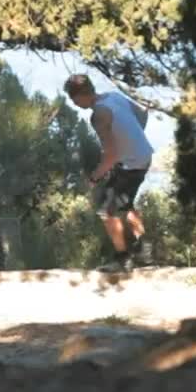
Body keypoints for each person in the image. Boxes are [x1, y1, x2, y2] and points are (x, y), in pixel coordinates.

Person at [64, 73, 154, 271]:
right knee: (126, 203)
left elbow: (111, 156)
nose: (74, 104)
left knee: (106, 211)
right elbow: (142, 114)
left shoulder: (98, 116)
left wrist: (94, 178)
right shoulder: (114, 96)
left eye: (73, 99)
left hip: (130, 164)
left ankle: (123, 260)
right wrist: (132, 138)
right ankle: (144, 250)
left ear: (79, 96)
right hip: (145, 156)